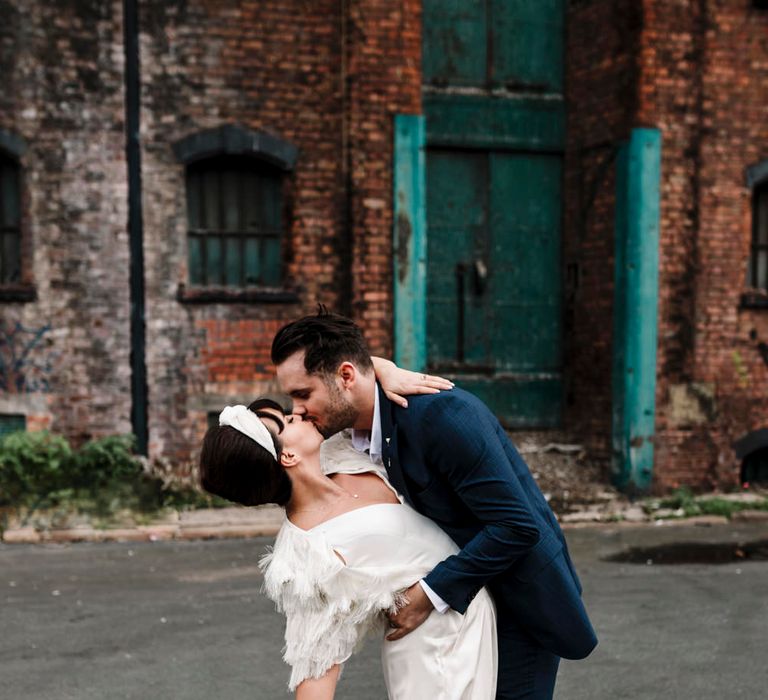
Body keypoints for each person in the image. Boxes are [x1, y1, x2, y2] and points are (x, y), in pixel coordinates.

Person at [270, 311, 598, 700]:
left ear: (345, 377)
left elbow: (517, 526)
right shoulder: (347, 433)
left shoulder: (442, 418)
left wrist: (428, 593)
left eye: (302, 394)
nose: (298, 408)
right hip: (463, 618)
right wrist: (380, 367)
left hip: (518, 605)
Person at [200, 397, 498, 699]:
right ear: (287, 455)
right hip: (435, 661)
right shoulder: (308, 555)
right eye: (288, 421)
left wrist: (386, 370)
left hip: (476, 617)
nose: (299, 413)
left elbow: (355, 382)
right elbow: (315, 669)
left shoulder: (340, 454)